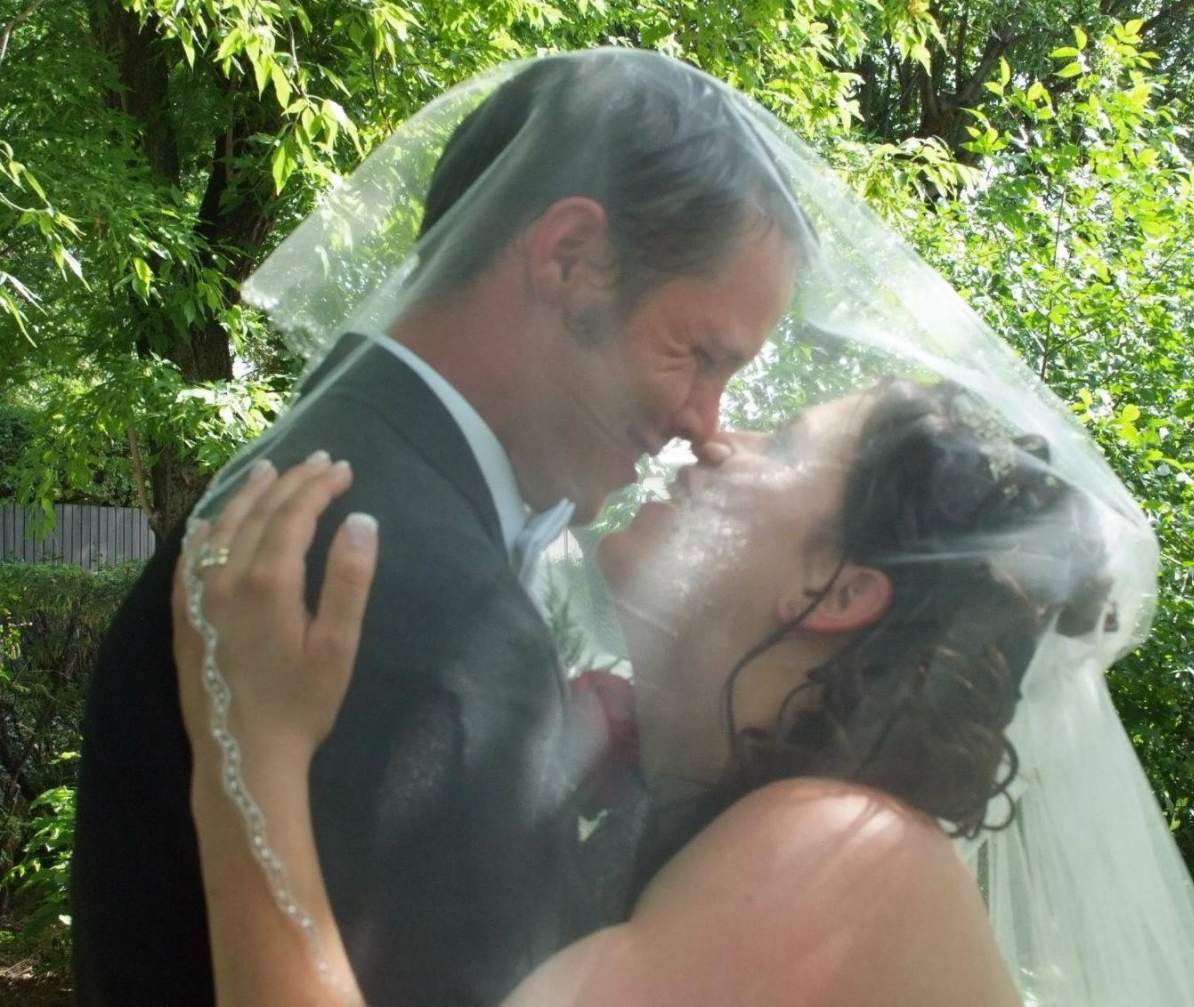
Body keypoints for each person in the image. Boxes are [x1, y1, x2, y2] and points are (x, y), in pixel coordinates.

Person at [71, 50, 809, 1006]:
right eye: (699, 354)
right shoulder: (407, 591)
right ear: (571, 258)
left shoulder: (331, 479)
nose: (705, 422)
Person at [170, 377, 1108, 1005]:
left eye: (783, 445)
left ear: (835, 592)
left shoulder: (840, 849)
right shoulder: (744, 818)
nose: (714, 440)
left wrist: (248, 749)